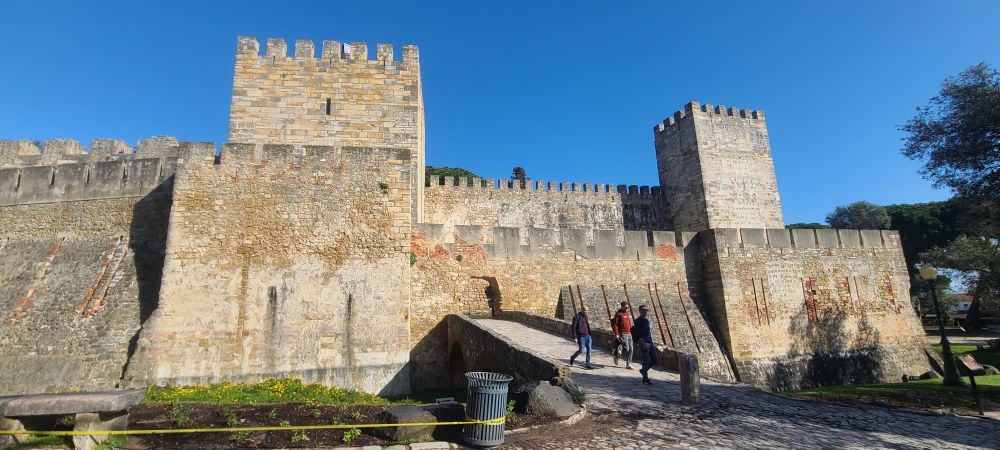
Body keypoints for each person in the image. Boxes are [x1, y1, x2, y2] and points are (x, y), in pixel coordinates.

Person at [632, 304, 658, 384]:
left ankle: (643, 370)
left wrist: (650, 342)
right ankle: (645, 378)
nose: (645, 311)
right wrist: (643, 344)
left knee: (654, 359)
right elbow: (638, 334)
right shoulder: (638, 321)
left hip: (650, 342)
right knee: (646, 360)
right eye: (643, 310)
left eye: (646, 310)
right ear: (640, 311)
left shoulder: (646, 321)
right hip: (644, 343)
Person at [612, 302, 634, 369]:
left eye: (627, 307)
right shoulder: (618, 314)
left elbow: (629, 323)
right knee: (627, 349)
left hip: (629, 333)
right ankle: (617, 356)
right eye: (625, 307)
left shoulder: (626, 314)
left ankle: (628, 364)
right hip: (623, 333)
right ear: (622, 306)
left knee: (631, 349)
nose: (627, 308)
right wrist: (616, 334)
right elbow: (615, 325)